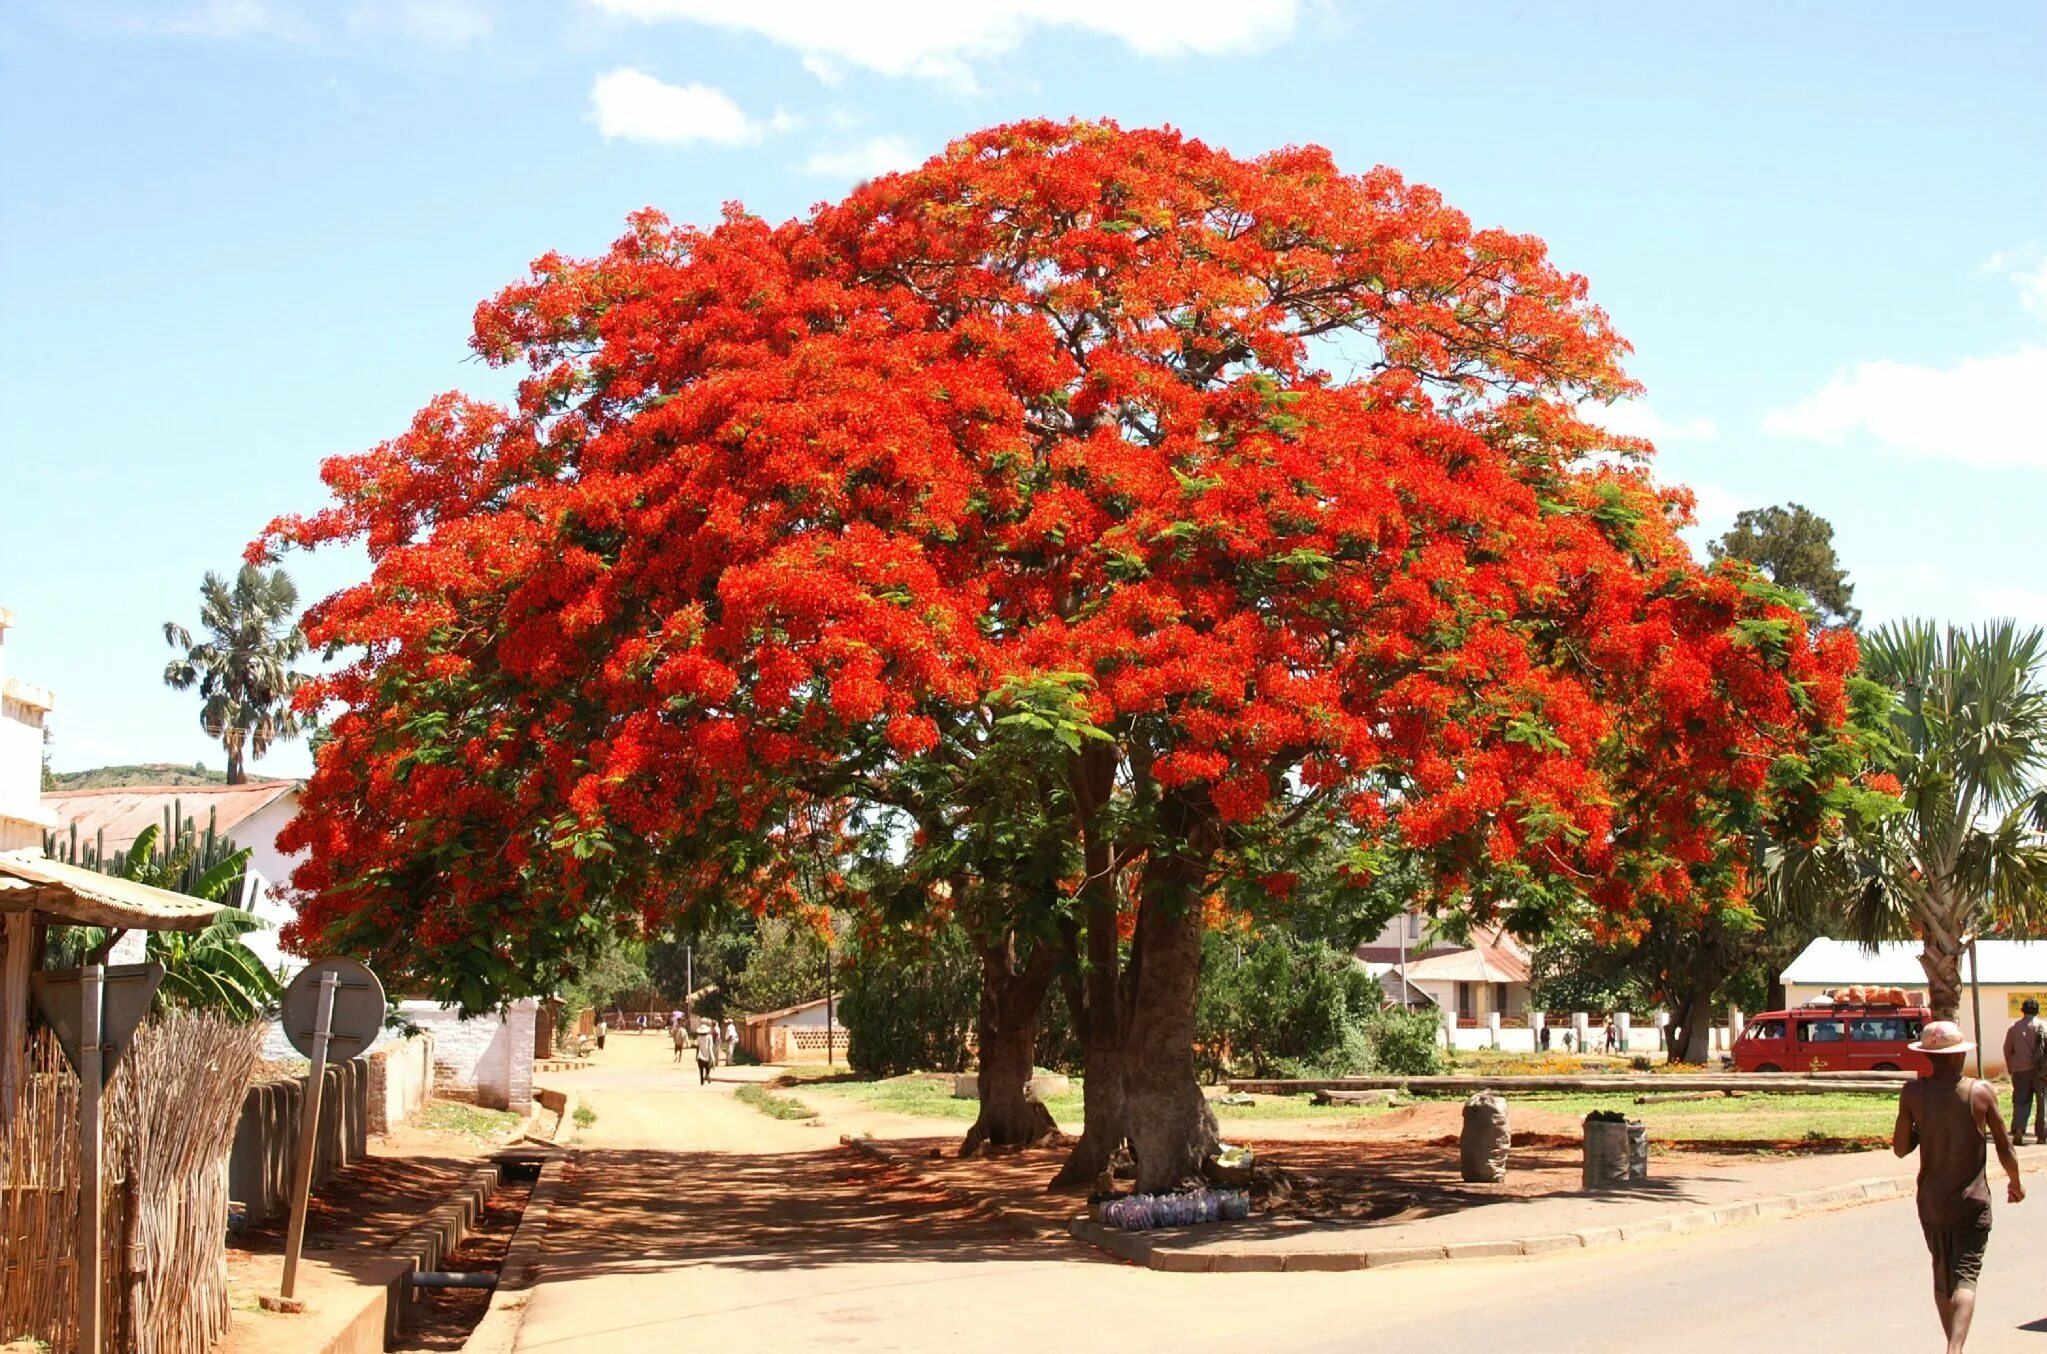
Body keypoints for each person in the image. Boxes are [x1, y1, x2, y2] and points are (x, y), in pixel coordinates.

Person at [1893, 1019, 2024, 1353]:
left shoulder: (1913, 1093)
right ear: (1958, 1056)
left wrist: (1921, 1124)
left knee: (1942, 1276)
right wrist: (2015, 1182)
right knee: (1965, 1275)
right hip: (1973, 1201)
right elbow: (2005, 1146)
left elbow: (1899, 1147)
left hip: (1932, 1202)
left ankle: (1952, 1344)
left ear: (1928, 1057)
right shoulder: (1980, 1092)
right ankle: (1955, 1348)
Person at [2002, 998, 2046, 1146]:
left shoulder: (2013, 1028)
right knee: (2043, 1103)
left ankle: (2019, 1128)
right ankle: (2042, 1135)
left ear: (2022, 1010)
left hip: (2020, 1070)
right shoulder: (2043, 1026)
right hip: (2041, 1072)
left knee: (2021, 1101)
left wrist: (2010, 1066)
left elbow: (2007, 1049)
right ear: (2038, 1011)